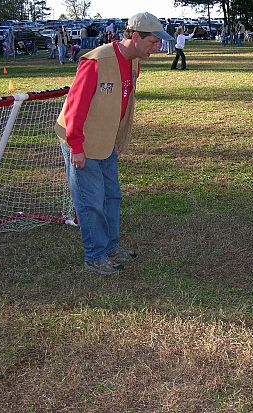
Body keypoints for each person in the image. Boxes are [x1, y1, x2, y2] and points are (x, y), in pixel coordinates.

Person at [54, 12, 173, 275]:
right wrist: (76, 146)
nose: (157, 48)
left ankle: (109, 246)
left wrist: (119, 139)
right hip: (82, 142)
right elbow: (75, 106)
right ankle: (94, 256)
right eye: (153, 42)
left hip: (107, 142)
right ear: (134, 36)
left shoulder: (134, 63)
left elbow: (123, 104)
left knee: (112, 196)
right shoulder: (97, 61)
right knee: (90, 200)